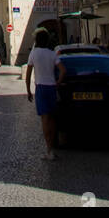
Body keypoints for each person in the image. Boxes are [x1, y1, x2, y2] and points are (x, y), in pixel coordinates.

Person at [25, 29, 66, 159]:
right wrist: (57, 82)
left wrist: (28, 90)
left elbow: (28, 74)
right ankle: (52, 148)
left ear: (37, 41)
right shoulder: (52, 54)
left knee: (44, 118)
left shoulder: (34, 54)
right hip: (52, 87)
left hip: (41, 88)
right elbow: (63, 71)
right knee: (52, 118)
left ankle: (48, 149)